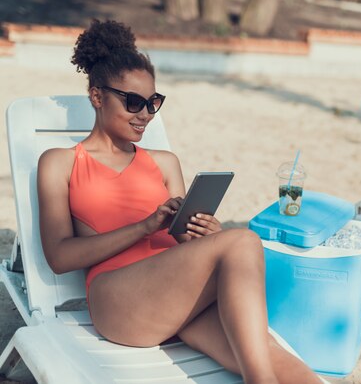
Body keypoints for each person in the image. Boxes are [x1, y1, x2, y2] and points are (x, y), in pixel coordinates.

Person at [37, 19, 321, 384]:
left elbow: (179, 242)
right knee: (243, 240)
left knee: (262, 351)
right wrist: (144, 226)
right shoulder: (60, 162)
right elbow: (60, 257)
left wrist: (202, 235)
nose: (145, 115)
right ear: (97, 96)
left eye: (153, 103)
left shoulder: (164, 162)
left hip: (174, 295)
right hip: (117, 301)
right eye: (134, 102)